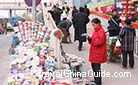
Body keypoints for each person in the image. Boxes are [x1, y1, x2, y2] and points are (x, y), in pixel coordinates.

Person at [88, 18, 107, 85]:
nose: (93, 26)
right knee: (94, 67)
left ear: (98, 24)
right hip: (94, 51)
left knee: (97, 68)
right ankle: (96, 79)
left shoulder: (101, 32)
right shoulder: (95, 30)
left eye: (94, 25)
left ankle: (98, 82)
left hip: (98, 52)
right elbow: (94, 40)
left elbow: (99, 42)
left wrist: (92, 39)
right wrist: (90, 39)